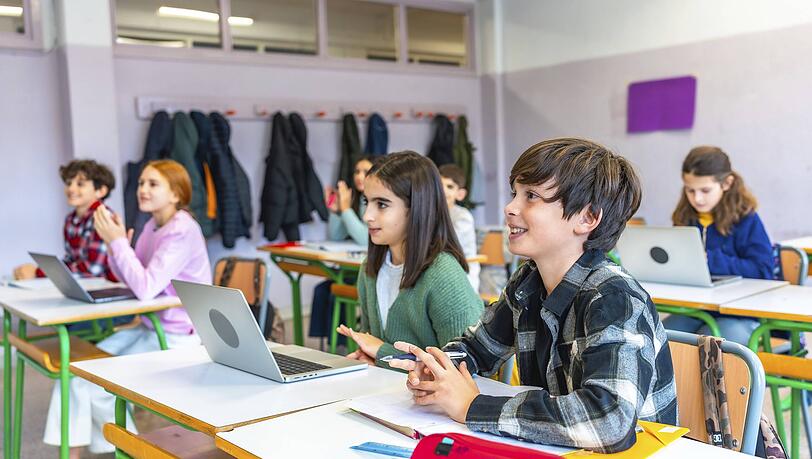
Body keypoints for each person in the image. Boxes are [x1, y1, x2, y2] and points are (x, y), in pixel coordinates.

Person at [389, 138, 677, 454]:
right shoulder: (528, 281)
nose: (510, 207)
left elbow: (609, 421)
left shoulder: (614, 299)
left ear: (587, 218)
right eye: (515, 193)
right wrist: (439, 369)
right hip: (557, 449)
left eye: (531, 196)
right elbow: (477, 348)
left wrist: (473, 407)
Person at [43, 160, 212, 457]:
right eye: (141, 183)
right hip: (149, 327)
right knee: (78, 370)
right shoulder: (151, 225)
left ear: (176, 194)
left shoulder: (183, 229)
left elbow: (145, 287)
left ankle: (133, 450)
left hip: (177, 337)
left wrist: (119, 243)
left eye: (153, 184)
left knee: (101, 386)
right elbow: (131, 279)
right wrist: (114, 246)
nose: (142, 189)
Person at [337, 152, 483, 365]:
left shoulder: (444, 275)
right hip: (386, 385)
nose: (367, 215)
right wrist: (369, 358)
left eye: (382, 204)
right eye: (366, 201)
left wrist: (382, 353)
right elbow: (372, 347)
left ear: (416, 208)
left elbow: (466, 367)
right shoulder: (369, 269)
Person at [663, 145, 774, 345]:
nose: (697, 198)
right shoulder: (685, 217)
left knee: (710, 343)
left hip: (739, 313)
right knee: (662, 334)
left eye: (705, 190)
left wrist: (710, 260)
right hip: (697, 309)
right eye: (690, 190)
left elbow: (762, 270)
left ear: (726, 183)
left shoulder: (746, 219)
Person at [438, 164, 479, 291]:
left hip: (462, 272)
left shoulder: (463, 217)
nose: (443, 190)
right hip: (441, 269)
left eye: (450, 187)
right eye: (440, 185)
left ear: (460, 194)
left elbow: (447, 244)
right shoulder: (432, 214)